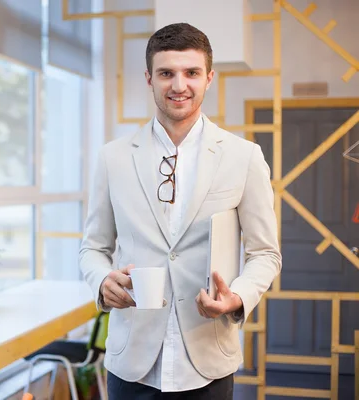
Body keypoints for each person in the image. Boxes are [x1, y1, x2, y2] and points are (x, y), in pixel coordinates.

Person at [79, 22, 282, 399]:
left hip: (208, 362)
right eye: (166, 73)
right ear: (149, 78)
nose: (178, 85)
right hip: (131, 364)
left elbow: (265, 253)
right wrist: (101, 282)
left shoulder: (244, 156)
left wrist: (237, 297)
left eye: (191, 73)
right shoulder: (113, 158)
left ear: (209, 78)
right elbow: (93, 248)